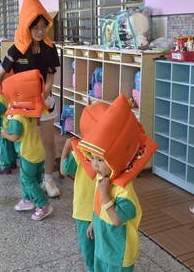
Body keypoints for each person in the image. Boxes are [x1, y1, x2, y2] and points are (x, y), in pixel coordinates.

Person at [0, 0, 61, 197]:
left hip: (44, 101)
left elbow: (51, 72)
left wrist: (46, 92)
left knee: (48, 142)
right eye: (36, 27)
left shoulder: (50, 48)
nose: (40, 31)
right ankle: (30, 180)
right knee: (27, 142)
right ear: (27, 27)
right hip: (21, 104)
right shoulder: (16, 49)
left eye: (44, 26)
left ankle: (48, 179)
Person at [76, 94, 158, 271]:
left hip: (119, 254)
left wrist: (105, 194)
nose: (94, 164)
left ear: (115, 160)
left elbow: (116, 219)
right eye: (93, 158)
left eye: (100, 160)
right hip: (103, 246)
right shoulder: (102, 179)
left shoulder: (125, 193)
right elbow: (98, 207)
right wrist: (93, 223)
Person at [60, 102, 109, 271]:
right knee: (102, 245)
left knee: (88, 248)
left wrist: (67, 147)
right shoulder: (113, 157)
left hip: (84, 210)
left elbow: (64, 170)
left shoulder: (79, 153)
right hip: (105, 211)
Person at [0, 70, 53, 221]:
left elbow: (15, 136)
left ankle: (43, 204)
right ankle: (28, 200)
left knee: (27, 180)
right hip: (39, 151)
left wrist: (4, 134)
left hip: (28, 154)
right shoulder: (32, 111)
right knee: (35, 179)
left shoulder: (17, 117)